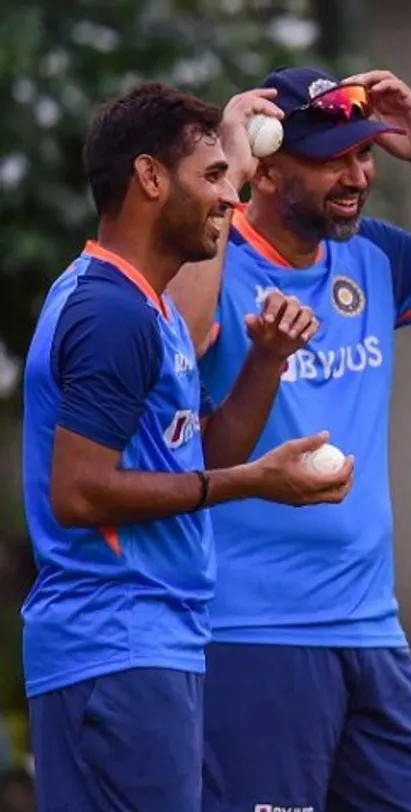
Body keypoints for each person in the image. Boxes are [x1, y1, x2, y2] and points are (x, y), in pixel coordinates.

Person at [167, 66, 411, 811]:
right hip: (252, 635)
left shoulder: (375, 257)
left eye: (364, 155)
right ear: (269, 165)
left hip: (373, 633)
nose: (356, 176)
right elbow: (174, 336)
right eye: (331, 159)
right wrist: (226, 173)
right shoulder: (215, 266)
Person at [21, 82, 356, 811]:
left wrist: (264, 362)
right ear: (148, 177)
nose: (232, 200)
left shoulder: (153, 309)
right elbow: (78, 492)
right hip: (116, 642)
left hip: (146, 643)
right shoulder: (112, 313)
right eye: (212, 176)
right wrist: (253, 484)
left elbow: (198, 454)